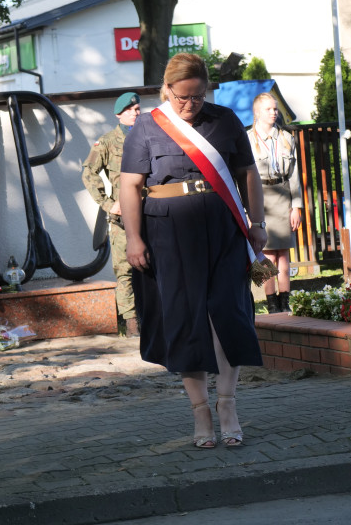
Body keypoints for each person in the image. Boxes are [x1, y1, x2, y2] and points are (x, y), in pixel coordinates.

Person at [120, 53, 266, 449]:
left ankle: (227, 404)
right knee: (185, 319)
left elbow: (247, 173)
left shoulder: (224, 120)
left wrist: (258, 223)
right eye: (182, 97)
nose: (189, 105)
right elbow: (130, 185)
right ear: (166, 89)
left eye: (197, 97)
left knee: (229, 313)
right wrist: (134, 238)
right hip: (168, 232)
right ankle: (200, 412)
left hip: (223, 228)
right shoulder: (147, 128)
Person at [82, 91, 143, 336]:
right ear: (120, 114)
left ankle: (156, 317)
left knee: (156, 267)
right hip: (123, 219)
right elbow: (89, 173)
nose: (137, 113)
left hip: (152, 214)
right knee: (125, 269)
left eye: (138, 109)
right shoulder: (107, 142)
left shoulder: (150, 137)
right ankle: (131, 324)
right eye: (131, 110)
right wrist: (108, 204)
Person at [247, 93, 303, 313]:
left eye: (275, 109)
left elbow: (294, 176)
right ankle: (270, 301)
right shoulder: (248, 139)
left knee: (283, 252)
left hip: (282, 195)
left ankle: (284, 300)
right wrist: (246, 210)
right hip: (258, 197)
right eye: (269, 109)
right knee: (264, 253)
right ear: (257, 112)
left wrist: (296, 206)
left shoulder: (286, 138)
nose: (273, 113)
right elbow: (242, 176)